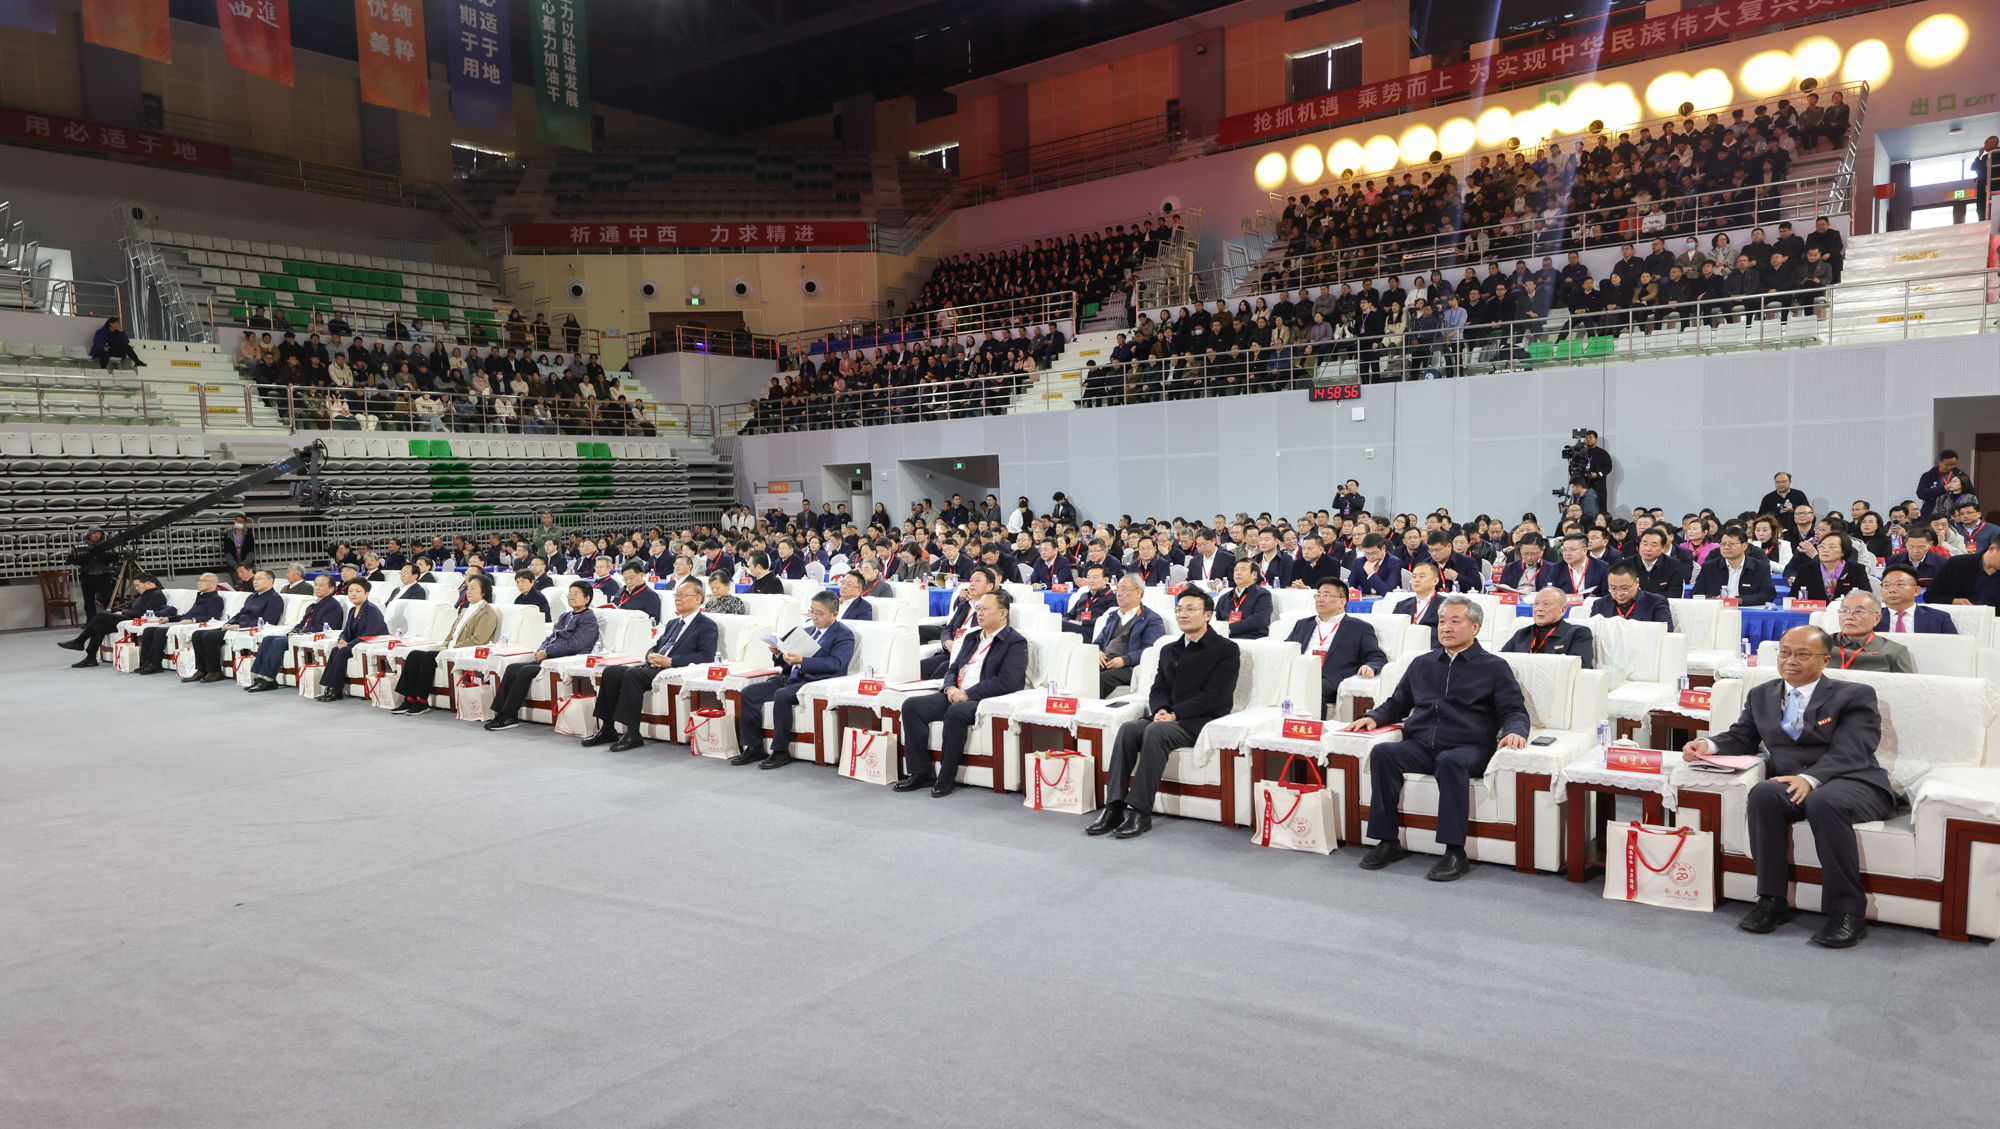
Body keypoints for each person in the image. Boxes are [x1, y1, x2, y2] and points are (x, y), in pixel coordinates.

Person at [1687, 625, 1896, 948]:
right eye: (1784, 653)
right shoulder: (1762, 694)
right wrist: (1707, 745)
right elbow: (1743, 736)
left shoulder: (1854, 695)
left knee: (1824, 801)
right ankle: (1772, 900)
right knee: (1764, 793)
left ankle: (1847, 911)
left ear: (1825, 660)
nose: (1790, 661)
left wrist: (1810, 779)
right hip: (1793, 782)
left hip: (1854, 782)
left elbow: (1853, 750)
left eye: (1802, 654)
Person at [1350, 595, 1529, 881]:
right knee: (1384, 753)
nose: (1445, 627)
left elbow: (1514, 709)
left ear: (1475, 627)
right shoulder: (1422, 663)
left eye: (1455, 621)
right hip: (1421, 745)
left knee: (1450, 761)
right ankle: (1387, 841)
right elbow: (1397, 703)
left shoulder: (1493, 666)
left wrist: (1515, 731)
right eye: (1442, 621)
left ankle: (1455, 851)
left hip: (1469, 747)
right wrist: (1374, 717)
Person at [1086, 590, 1240, 840]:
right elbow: (1158, 689)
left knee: (1156, 732)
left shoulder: (1226, 649)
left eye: (1191, 609)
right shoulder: (1169, 649)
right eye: (1179, 609)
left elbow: (1215, 697)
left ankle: (1140, 811)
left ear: (1208, 615)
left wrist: (1175, 714)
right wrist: (1160, 710)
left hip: (1201, 721)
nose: (1183, 614)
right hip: (1167, 716)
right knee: (1129, 729)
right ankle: (1114, 806)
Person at [894, 591, 1029, 796]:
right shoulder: (972, 636)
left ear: (1003, 613)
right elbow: (953, 668)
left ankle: (946, 777)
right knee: (912, 706)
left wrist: (968, 694)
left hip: (984, 699)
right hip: (957, 693)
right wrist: (950, 688)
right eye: (978, 608)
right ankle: (920, 772)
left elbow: (1007, 681)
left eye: (985, 609)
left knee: (956, 712)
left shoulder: (1015, 642)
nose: (979, 613)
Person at [581, 580, 720, 751]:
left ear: (698, 598)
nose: (678, 599)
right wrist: (650, 655)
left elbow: (707, 656)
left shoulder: (707, 625)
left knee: (632, 675)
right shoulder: (673, 623)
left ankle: (633, 733)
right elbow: (656, 646)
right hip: (653, 667)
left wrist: (672, 661)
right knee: (611, 672)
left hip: (671, 670)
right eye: (676, 595)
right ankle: (607, 728)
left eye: (683, 595)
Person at [730, 591, 854, 769]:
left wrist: (803, 661)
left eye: (819, 613)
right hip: (791, 678)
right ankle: (754, 747)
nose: (814, 617)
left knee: (782, 695)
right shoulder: (806, 631)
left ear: (834, 614)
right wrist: (779, 653)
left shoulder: (843, 634)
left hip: (813, 682)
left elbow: (836, 663)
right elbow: (786, 663)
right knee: (749, 692)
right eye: (812, 611)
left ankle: (780, 751)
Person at [482, 582, 601, 730]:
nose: (571, 596)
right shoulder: (565, 615)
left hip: (561, 661)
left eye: (575, 594)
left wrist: (546, 652)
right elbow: (551, 637)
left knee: (525, 671)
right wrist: (541, 649)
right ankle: (499, 713)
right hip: (548, 657)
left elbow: (575, 645)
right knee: (512, 668)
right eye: (569, 593)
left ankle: (510, 715)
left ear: (587, 598)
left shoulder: (588, 619)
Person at [387, 574, 501, 715]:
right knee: (414, 655)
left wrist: (451, 649)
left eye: (473, 588)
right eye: (468, 588)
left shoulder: (487, 612)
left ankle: (422, 701)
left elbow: (479, 639)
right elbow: (451, 634)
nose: (469, 592)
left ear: (484, 591)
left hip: (463, 651)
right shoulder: (466, 609)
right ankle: (409, 698)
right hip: (450, 649)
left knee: (429, 657)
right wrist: (444, 646)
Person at [1286, 578, 1386, 703]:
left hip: (1330, 678)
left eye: (1326, 595)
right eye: (1318, 595)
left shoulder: (1359, 628)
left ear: (1342, 602)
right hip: (1299, 672)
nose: (1320, 599)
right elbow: (1286, 649)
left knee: (1312, 688)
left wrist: (1370, 666)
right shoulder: (1303, 624)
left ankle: (1309, 717)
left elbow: (1377, 657)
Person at [242, 575, 343, 690]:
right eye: (315, 585)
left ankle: (269, 679)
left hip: (313, 636)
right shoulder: (312, 605)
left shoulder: (333, 606)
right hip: (300, 634)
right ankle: (260, 677)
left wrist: (301, 632)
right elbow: (302, 622)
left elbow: (326, 627)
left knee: (278, 642)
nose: (317, 588)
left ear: (331, 588)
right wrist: (294, 630)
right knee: (268, 639)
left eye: (321, 585)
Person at [186, 568, 284, 682]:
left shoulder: (275, 598)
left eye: (259, 579)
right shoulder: (252, 596)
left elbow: (268, 621)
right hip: (236, 626)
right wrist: (229, 623)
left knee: (209, 636)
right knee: (197, 635)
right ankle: (201, 670)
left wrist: (240, 626)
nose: (255, 582)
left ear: (270, 580)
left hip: (247, 628)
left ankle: (215, 671)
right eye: (254, 579)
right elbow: (240, 613)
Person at [131, 572, 225, 674]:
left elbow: (213, 617)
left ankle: (155, 663)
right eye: (199, 580)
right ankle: (146, 661)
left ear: (213, 584)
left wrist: (192, 620)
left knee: (159, 631)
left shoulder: (216, 599)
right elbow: (185, 615)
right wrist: (168, 619)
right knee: (148, 630)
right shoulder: (200, 597)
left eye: (204, 580)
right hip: (183, 622)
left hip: (192, 625)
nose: (200, 583)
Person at [313, 580, 388, 702]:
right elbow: (345, 631)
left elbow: (371, 633)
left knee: (342, 651)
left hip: (370, 643)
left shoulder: (371, 610)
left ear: (366, 593)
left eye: (358, 591)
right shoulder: (352, 610)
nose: (353, 594)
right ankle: (329, 687)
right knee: (336, 649)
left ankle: (335, 689)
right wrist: (342, 640)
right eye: (350, 591)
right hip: (355, 644)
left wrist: (349, 644)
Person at [1091, 574, 1167, 691]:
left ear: (1138, 592)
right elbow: (1098, 641)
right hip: (1105, 663)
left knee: (1100, 679)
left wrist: (1125, 660)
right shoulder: (1113, 616)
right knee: (1080, 671)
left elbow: (1151, 650)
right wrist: (1098, 652)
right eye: (1117, 590)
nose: (1119, 594)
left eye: (1124, 589)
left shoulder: (1151, 619)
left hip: (1129, 667)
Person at [1502, 587, 1594, 667]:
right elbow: (1501, 660)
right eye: (1536, 603)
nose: (1539, 608)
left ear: (1562, 610)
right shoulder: (1522, 634)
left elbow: (1577, 666)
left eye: (1546, 604)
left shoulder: (1578, 633)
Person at [1827, 591, 1915, 673]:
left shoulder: (1894, 651)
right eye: (1845, 611)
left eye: (1859, 612)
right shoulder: (1823, 645)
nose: (1849, 617)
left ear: (1876, 619)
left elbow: (1906, 683)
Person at [1692, 526, 1778, 606]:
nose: (1726, 547)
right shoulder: (1709, 567)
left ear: (1744, 546)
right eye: (1723, 544)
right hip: (1717, 609)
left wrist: (1740, 600)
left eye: (1731, 544)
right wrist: (1714, 599)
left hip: (1747, 611)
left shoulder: (1760, 567)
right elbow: (1695, 593)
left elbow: (1768, 594)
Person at [1790, 531, 1869, 603]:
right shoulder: (1805, 569)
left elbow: (1867, 597)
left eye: (1831, 547)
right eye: (1822, 546)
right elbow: (1793, 596)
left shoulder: (1856, 570)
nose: (1825, 550)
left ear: (1843, 551)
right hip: (1813, 612)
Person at [1877, 564, 1955, 633]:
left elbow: (1953, 644)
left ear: (1916, 590)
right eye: (1886, 585)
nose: (1892, 590)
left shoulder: (1939, 618)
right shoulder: (1873, 617)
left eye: (1900, 584)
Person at [1591, 562, 1671, 622]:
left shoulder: (1656, 603)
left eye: (1624, 588)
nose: (1619, 594)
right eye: (1613, 588)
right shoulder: (1599, 605)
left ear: (1636, 582)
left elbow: (1665, 633)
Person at [1214, 558, 1271, 639]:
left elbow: (1259, 620)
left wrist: (1227, 628)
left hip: (1251, 638)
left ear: (1254, 574)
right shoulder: (1224, 597)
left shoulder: (1262, 594)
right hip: (1224, 637)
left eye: (1243, 570)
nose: (1238, 573)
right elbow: (1216, 619)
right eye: (1236, 570)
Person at [1059, 563, 1116, 638]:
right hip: (1076, 628)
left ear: (1106, 580)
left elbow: (1109, 620)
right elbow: (1069, 615)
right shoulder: (1084, 596)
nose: (1091, 581)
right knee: (1055, 623)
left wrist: (1081, 623)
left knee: (1060, 626)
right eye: (1088, 578)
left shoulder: (1112, 597)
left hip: (1094, 632)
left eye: (1095, 577)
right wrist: (1065, 621)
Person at [1393, 560, 1445, 632]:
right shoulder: (1401, 605)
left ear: (1435, 581)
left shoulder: (1445, 605)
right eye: (1414, 576)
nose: (1416, 580)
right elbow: (1393, 629)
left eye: (1422, 576)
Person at [1917, 450, 1967, 517]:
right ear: (1940, 462)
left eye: (1953, 464)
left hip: (1954, 514)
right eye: (1947, 465)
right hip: (1932, 513)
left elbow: (1971, 493)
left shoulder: (1961, 476)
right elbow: (1921, 493)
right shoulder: (1929, 475)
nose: (1950, 467)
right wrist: (1943, 489)